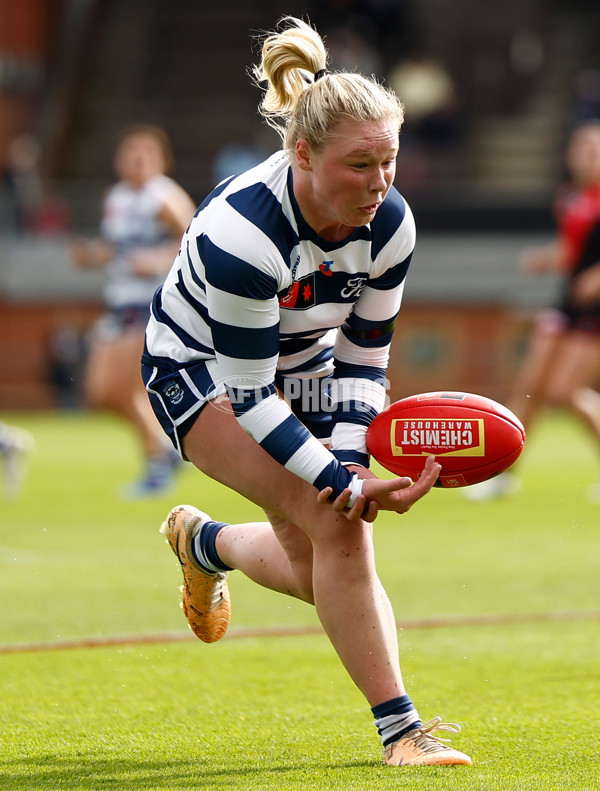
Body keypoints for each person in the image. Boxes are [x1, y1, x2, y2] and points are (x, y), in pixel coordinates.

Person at [143, 17, 471, 768]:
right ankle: (403, 732)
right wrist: (340, 482)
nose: (379, 182)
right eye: (360, 164)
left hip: (308, 372)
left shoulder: (389, 222)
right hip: (201, 376)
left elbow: (363, 361)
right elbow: (252, 394)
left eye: (388, 161)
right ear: (301, 153)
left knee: (319, 553)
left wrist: (352, 458)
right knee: (343, 527)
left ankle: (206, 542)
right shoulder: (244, 235)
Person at [465, 121, 600, 501]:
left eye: (594, 149)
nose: (587, 155)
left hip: (594, 311)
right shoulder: (571, 197)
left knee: (568, 390)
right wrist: (547, 259)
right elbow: (573, 253)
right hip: (567, 304)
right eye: (582, 148)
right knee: (531, 389)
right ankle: (502, 473)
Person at [70, 124, 196, 497]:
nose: (137, 160)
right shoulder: (119, 197)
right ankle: (163, 452)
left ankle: (159, 459)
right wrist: (91, 257)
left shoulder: (164, 198)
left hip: (148, 303)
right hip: (118, 303)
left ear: (161, 160)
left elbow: (195, 243)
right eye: (131, 152)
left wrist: (157, 259)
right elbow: (116, 250)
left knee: (122, 387)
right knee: (99, 392)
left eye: (146, 152)